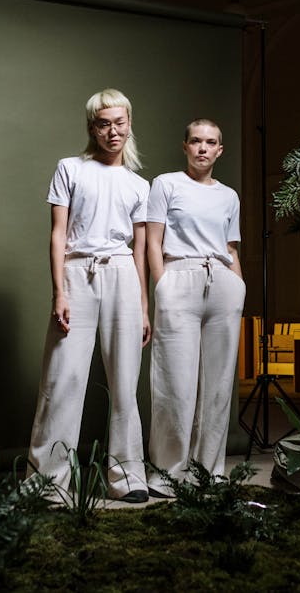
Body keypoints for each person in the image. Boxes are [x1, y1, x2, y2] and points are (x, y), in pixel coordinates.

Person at [27, 89, 151, 503]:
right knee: (63, 378)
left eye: (119, 123)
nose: (112, 131)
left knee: (125, 383)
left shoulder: (139, 184)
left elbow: (139, 250)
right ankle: (48, 482)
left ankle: (128, 477)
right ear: (92, 128)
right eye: (104, 124)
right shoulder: (70, 169)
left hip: (123, 275)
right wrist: (58, 292)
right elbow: (57, 234)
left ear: (129, 125)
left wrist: (143, 307)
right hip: (78, 272)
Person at [146, 119, 245, 497]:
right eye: (196, 141)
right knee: (175, 383)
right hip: (179, 278)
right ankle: (167, 474)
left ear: (220, 150)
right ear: (185, 146)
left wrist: (239, 287)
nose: (203, 148)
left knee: (219, 386)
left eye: (210, 142)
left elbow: (231, 248)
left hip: (222, 282)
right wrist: (162, 285)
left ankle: (209, 472)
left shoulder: (229, 196)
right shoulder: (166, 184)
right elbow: (153, 241)